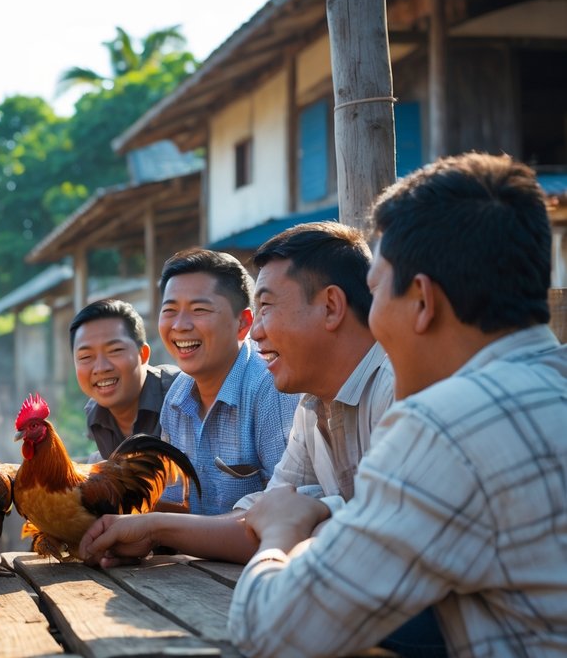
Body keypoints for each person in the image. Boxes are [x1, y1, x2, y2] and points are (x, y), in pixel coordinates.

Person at [229, 152, 567, 658]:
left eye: (376, 291)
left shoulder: (451, 424)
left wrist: (283, 532)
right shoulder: (548, 382)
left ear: (423, 301)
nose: (371, 318)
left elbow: (272, 628)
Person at [81, 222, 391, 564]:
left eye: (267, 308)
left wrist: (155, 528)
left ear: (331, 306)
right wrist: (149, 528)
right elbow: (263, 517)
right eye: (170, 311)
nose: (258, 334)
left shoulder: (393, 393)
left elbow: (356, 540)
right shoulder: (311, 404)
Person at [154, 248, 298, 514]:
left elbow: (285, 514)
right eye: (170, 310)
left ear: (243, 323)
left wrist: (157, 529)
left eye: (199, 309)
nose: (180, 325)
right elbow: (178, 505)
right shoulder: (176, 398)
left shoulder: (272, 389)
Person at [68, 299, 179, 461]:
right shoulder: (96, 416)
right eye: (86, 357)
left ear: (143, 354)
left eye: (115, 350)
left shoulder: (181, 397)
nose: (101, 368)